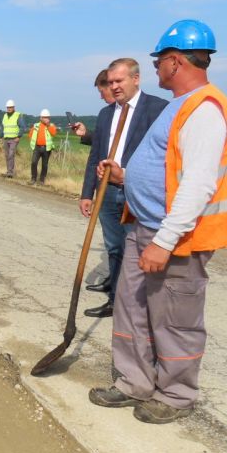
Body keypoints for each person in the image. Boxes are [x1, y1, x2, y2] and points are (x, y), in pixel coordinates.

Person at [89, 19, 227, 424]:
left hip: (174, 237)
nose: (155, 69)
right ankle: (133, 381)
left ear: (174, 61)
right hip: (143, 226)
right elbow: (167, 165)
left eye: (158, 62)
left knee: (175, 319)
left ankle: (175, 394)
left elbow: (198, 184)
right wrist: (126, 176)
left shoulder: (205, 109)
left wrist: (164, 241)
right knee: (132, 309)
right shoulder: (179, 105)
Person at [79, 59, 168, 317]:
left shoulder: (157, 109)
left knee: (136, 247)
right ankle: (115, 299)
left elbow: (162, 158)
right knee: (115, 246)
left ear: (136, 79)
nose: (114, 86)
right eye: (111, 82)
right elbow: (95, 155)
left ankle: (139, 305)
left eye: (120, 81)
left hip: (136, 192)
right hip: (107, 191)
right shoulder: (107, 113)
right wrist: (88, 193)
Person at [70, 70, 115, 146]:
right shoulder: (105, 113)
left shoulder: (131, 112)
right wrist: (85, 133)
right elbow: (101, 141)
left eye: (101, 92)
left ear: (111, 87)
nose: (101, 97)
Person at [27, 109, 58, 184]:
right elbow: (30, 135)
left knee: (44, 165)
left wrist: (48, 125)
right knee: (34, 162)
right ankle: (33, 178)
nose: (46, 119)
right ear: (41, 118)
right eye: (44, 117)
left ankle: (42, 180)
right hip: (37, 147)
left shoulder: (51, 126)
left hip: (47, 148)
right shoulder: (36, 126)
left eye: (47, 117)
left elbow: (54, 133)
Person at [0, 99, 27, 177]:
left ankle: (10, 172)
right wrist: (0, 137)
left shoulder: (18, 115)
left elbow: (23, 127)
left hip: (14, 139)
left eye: (10, 107)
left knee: (11, 155)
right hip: (6, 138)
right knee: (7, 155)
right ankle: (8, 171)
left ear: (14, 107)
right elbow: (2, 127)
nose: (9, 109)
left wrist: (19, 136)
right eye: (8, 107)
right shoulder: (4, 116)